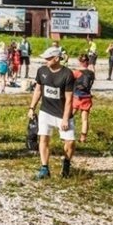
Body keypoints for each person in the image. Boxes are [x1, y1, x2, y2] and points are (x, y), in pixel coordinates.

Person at [28, 47, 77, 179]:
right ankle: (44, 168)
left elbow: (69, 99)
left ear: (56, 58)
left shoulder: (67, 74)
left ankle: (66, 163)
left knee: (70, 142)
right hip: (46, 111)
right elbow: (38, 90)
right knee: (43, 138)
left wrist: (65, 118)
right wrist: (32, 108)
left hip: (62, 113)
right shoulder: (42, 71)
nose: (45, 60)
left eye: (48, 58)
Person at [72, 53, 95, 144]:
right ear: (87, 62)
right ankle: (83, 138)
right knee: (85, 119)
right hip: (87, 97)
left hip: (76, 97)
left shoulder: (76, 72)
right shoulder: (91, 73)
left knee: (70, 116)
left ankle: (67, 134)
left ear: (79, 61)